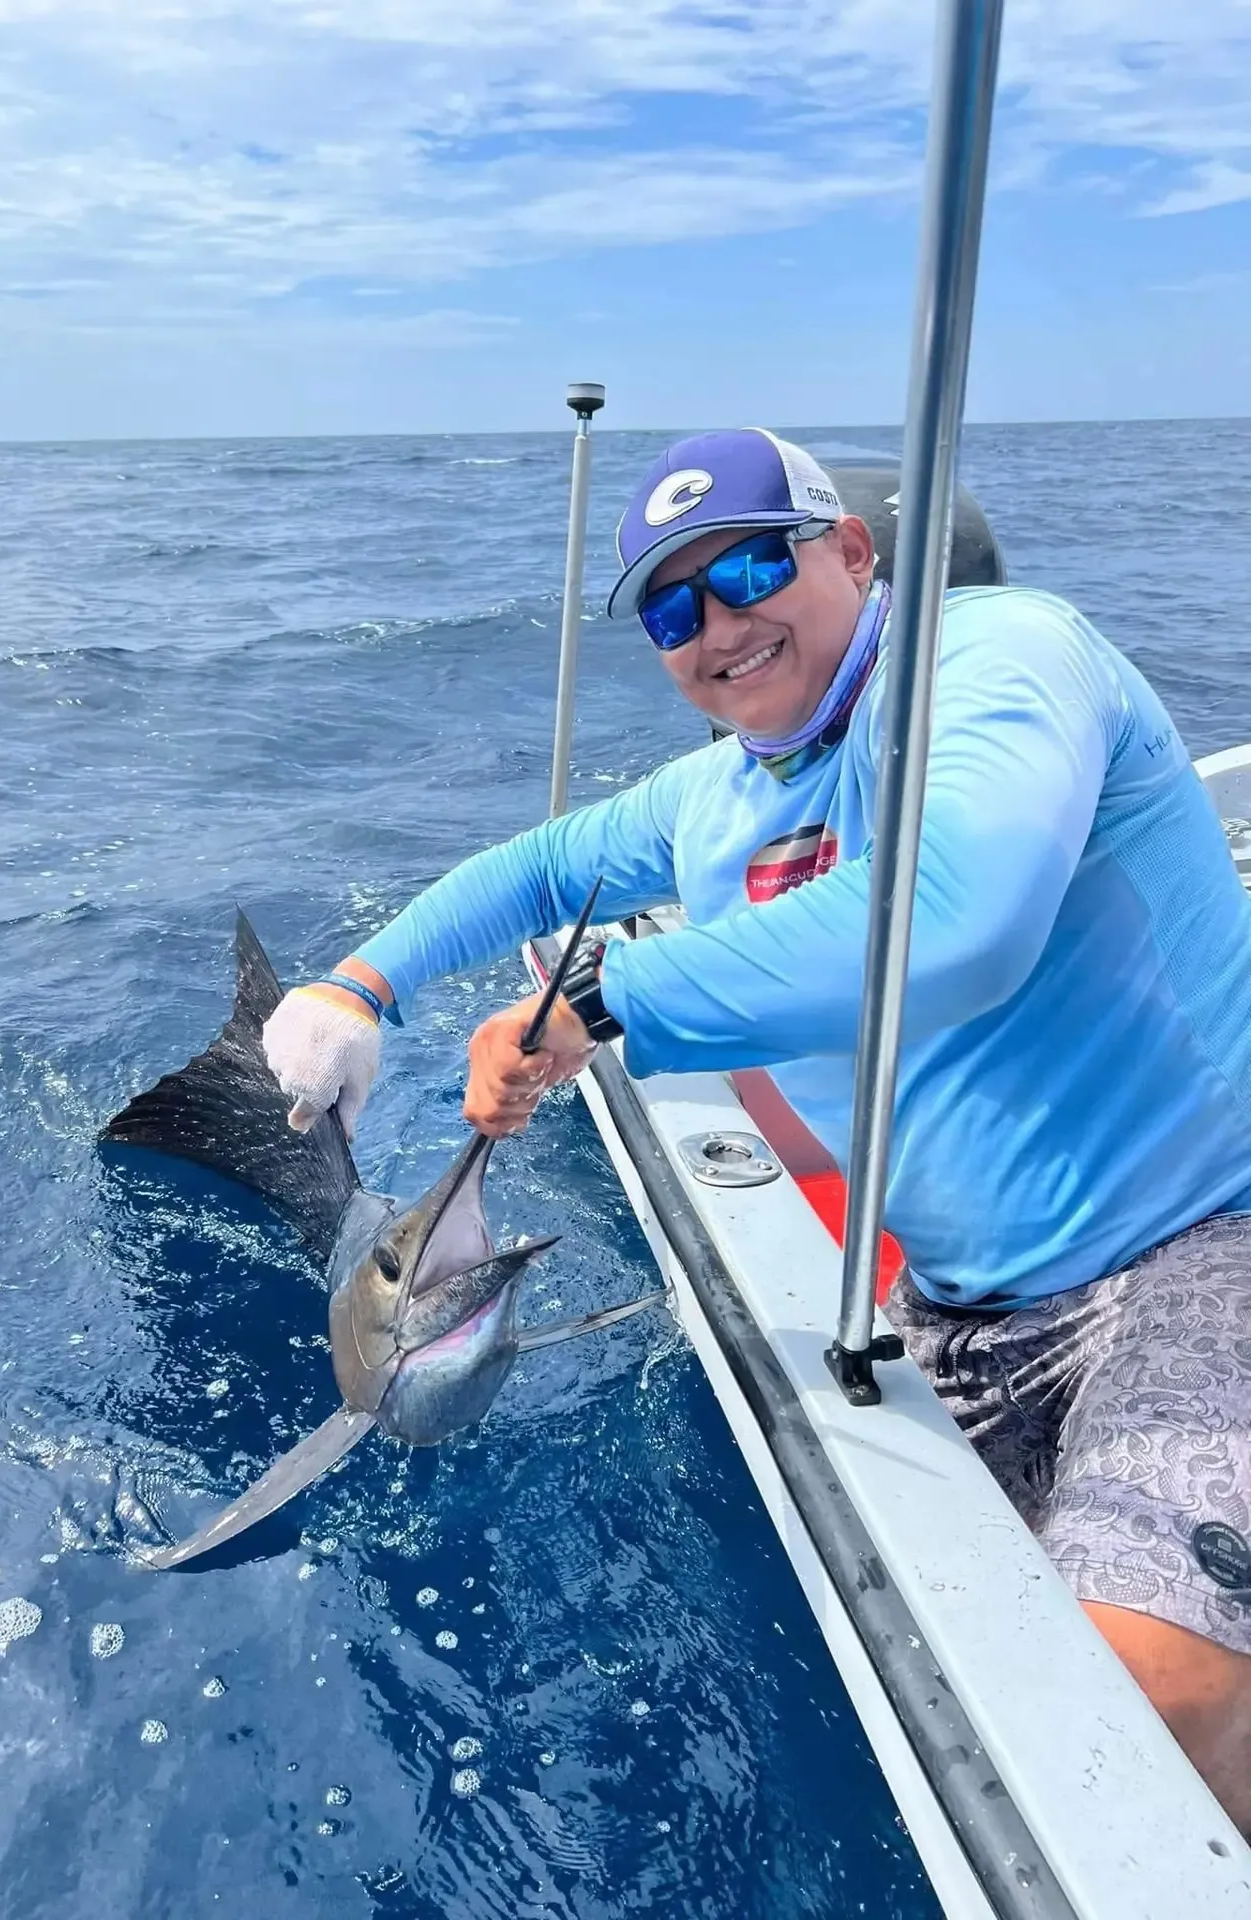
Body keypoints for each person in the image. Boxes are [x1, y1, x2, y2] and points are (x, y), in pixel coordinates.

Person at [264, 427, 1251, 1832]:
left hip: (1202, 1246)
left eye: (746, 571)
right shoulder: (719, 791)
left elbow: (956, 925)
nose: (719, 627)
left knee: (1140, 1709)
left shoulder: (1003, 655)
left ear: (852, 551)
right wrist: (361, 984)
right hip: (960, 1304)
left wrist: (602, 1004)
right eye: (675, 609)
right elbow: (537, 867)